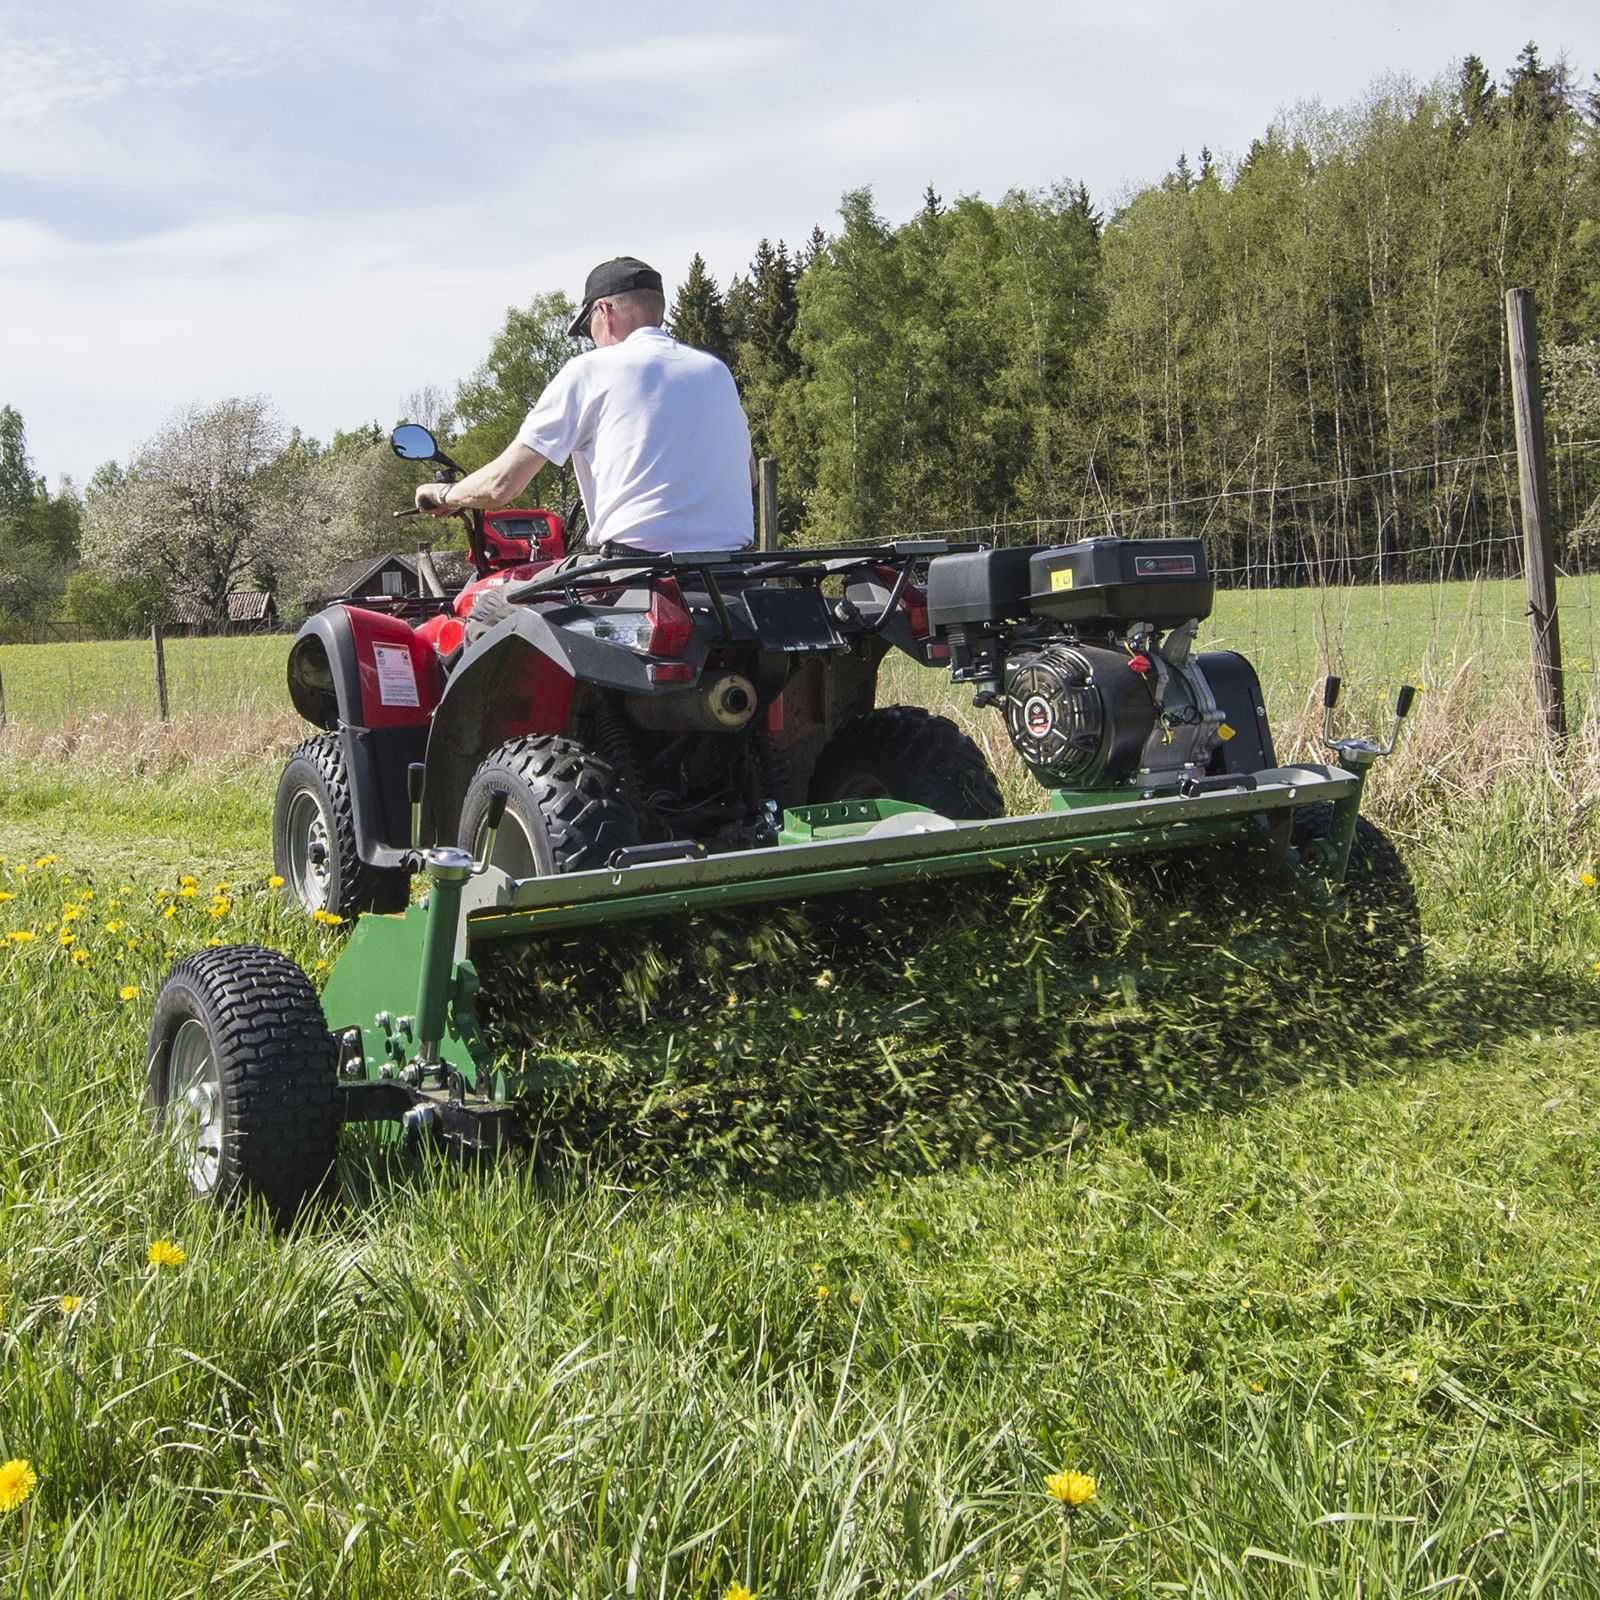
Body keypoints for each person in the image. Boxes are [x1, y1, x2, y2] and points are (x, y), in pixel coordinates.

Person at [415, 256, 755, 557]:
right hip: (731, 575)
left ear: (604, 311)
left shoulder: (592, 369)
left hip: (640, 576)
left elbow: (502, 485)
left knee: (490, 610)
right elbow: (750, 475)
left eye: (587, 327)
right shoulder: (714, 371)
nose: (591, 339)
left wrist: (446, 495)